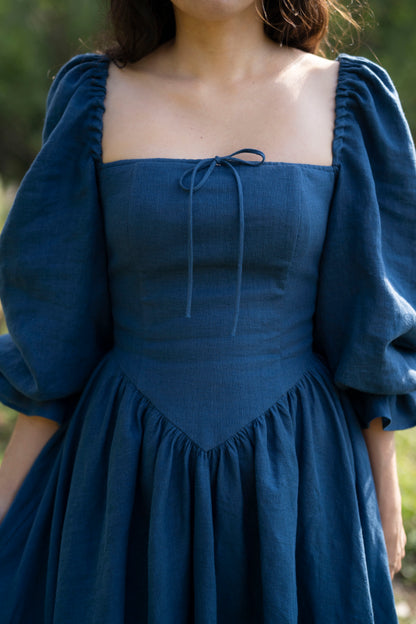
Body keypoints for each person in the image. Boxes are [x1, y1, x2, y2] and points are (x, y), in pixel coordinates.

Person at [0, 0, 414, 622]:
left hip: (299, 479)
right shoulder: (96, 98)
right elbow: (57, 337)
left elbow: (367, 318)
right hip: (126, 477)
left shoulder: (345, 100)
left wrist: (384, 490)